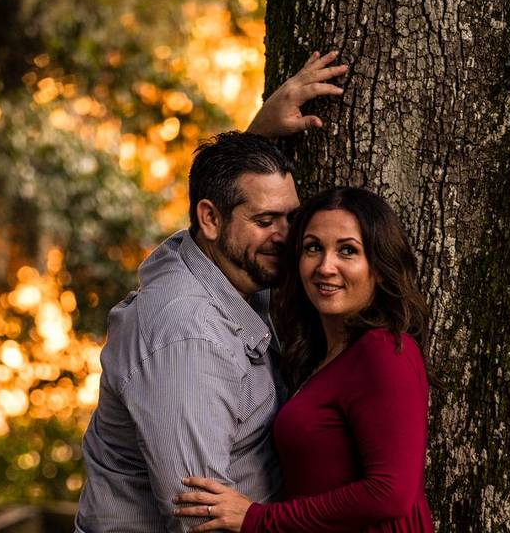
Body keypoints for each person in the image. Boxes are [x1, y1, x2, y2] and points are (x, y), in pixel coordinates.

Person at [75, 52, 347, 533]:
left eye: (291, 218)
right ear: (210, 218)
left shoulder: (228, 267)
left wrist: (256, 137)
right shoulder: (188, 340)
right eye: (266, 221)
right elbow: (200, 521)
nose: (287, 236)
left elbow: (227, 210)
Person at [174, 187, 434, 532]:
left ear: (380, 267)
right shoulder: (321, 356)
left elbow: (390, 493)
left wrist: (257, 518)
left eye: (348, 251)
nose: (326, 267)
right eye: (314, 248)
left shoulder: (384, 351)